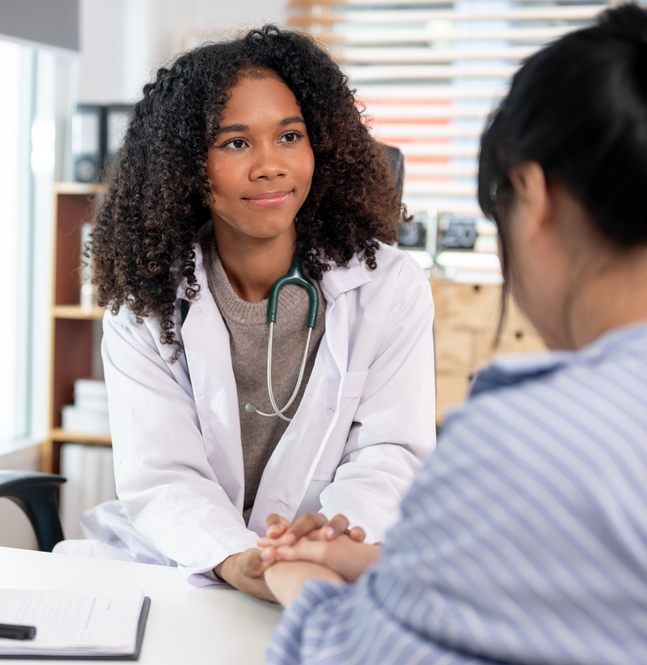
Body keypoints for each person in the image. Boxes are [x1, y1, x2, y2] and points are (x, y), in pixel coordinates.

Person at [260, 4, 647, 662]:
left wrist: (301, 578)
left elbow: (357, 649)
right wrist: (382, 562)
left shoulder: (530, 437)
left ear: (532, 195)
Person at [53, 26, 436, 601]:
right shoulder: (146, 305)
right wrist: (237, 560)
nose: (270, 166)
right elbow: (165, 477)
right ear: (186, 166)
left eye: (289, 136)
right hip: (190, 563)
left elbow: (388, 452)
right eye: (235, 143)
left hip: (329, 556)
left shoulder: (387, 287)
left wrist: (329, 537)